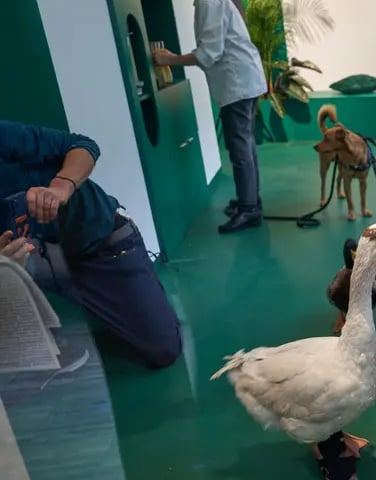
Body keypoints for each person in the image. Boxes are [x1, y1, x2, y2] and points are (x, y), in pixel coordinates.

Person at [0, 120, 183, 369]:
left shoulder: (5, 136)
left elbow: (83, 145)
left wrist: (61, 187)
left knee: (163, 349)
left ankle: (108, 304)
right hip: (34, 258)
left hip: (99, 243)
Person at [153, 0, 267, 234]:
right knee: (246, 144)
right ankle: (250, 200)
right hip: (243, 81)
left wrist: (169, 60)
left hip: (237, 84)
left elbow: (209, 53)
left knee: (240, 147)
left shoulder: (209, 1)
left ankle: (249, 208)